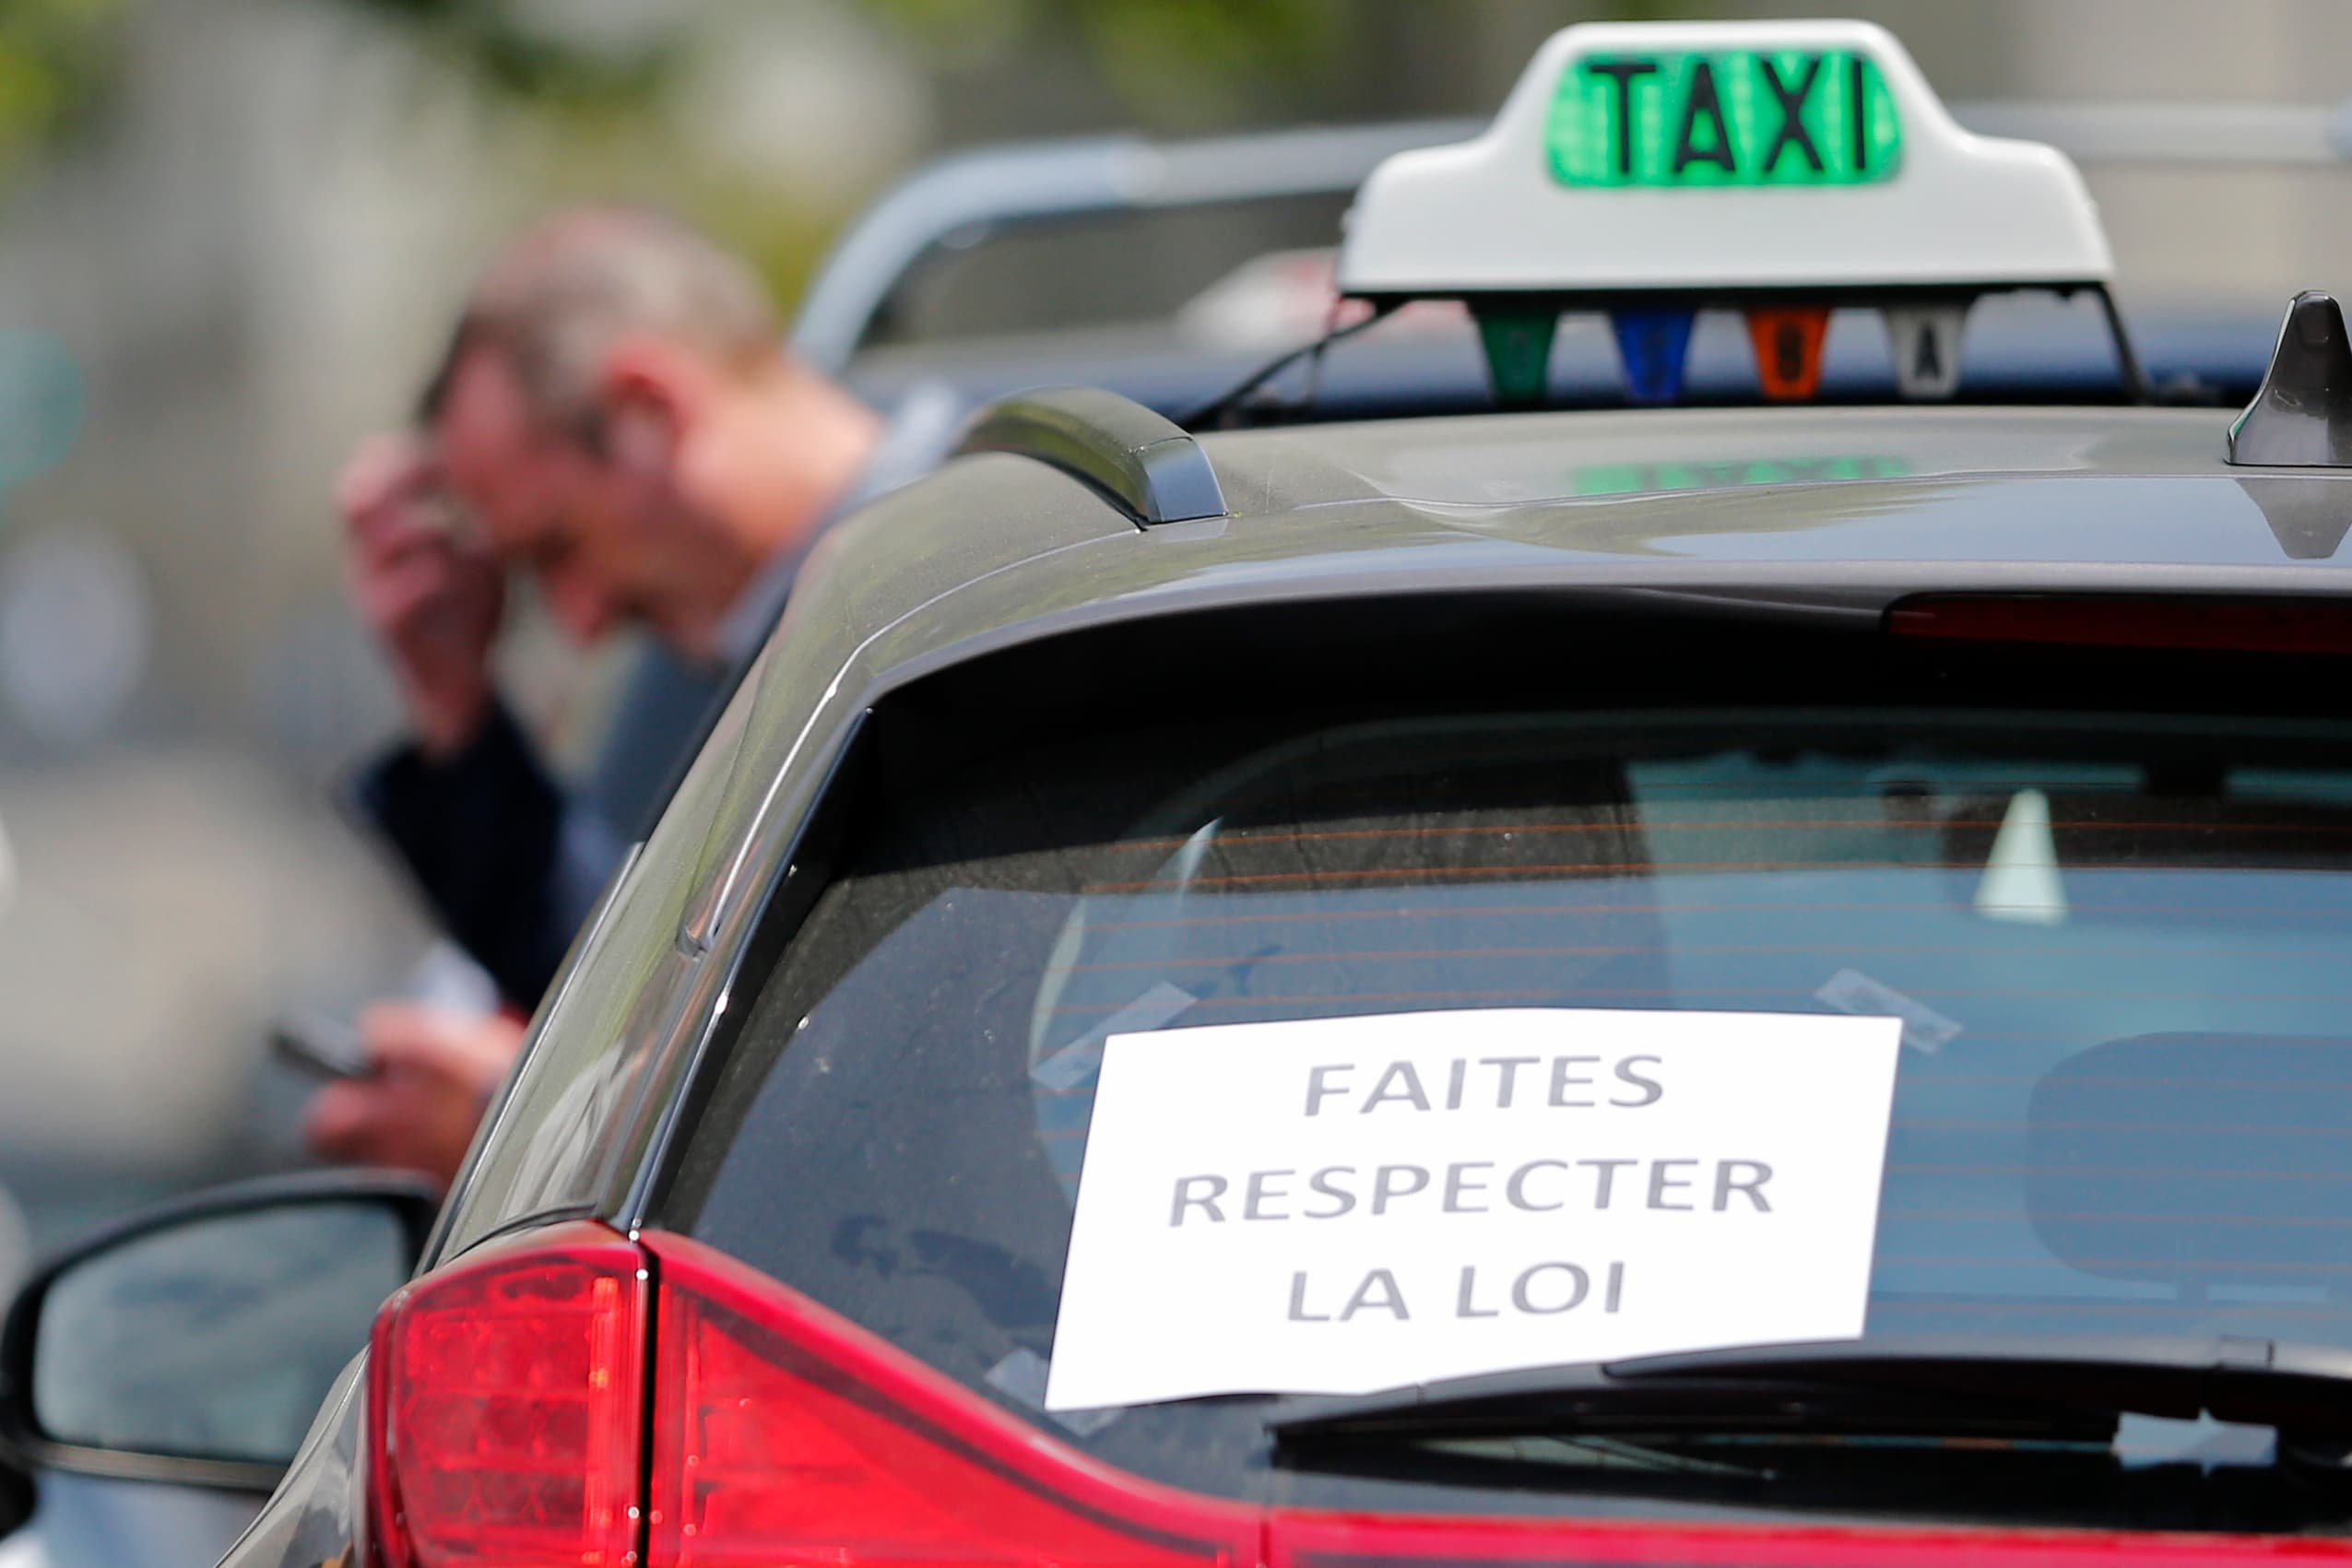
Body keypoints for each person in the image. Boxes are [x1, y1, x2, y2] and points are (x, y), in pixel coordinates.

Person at [305, 206, 959, 1185]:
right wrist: (456, 708)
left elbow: (919, 1073)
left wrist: (539, 1122)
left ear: (647, 409)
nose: (577, 620)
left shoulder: (973, 599)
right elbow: (640, 982)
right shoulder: (783, 632)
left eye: (557, 548)